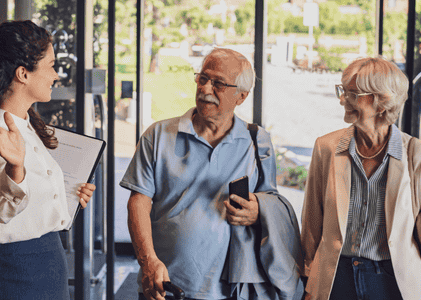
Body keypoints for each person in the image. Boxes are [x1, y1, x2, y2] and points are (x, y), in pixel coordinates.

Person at [121, 48, 302, 300]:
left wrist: (257, 209)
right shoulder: (158, 135)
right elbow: (138, 201)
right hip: (166, 286)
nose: (205, 89)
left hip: (234, 290)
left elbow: (269, 196)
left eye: (218, 83)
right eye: (202, 78)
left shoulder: (257, 140)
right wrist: (148, 262)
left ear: (241, 96)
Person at [0, 20, 96, 300]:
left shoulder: (29, 129)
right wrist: (15, 168)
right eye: (51, 65)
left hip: (49, 265)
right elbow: (2, 209)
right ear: (23, 73)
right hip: (16, 275)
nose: (56, 75)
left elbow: (32, 203)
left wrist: (68, 195)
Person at [300, 56, 421, 300]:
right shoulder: (327, 148)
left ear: (381, 102)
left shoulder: (417, 155)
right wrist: (308, 280)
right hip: (335, 279)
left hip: (393, 282)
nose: (342, 100)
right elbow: (311, 221)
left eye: (352, 93)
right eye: (342, 90)